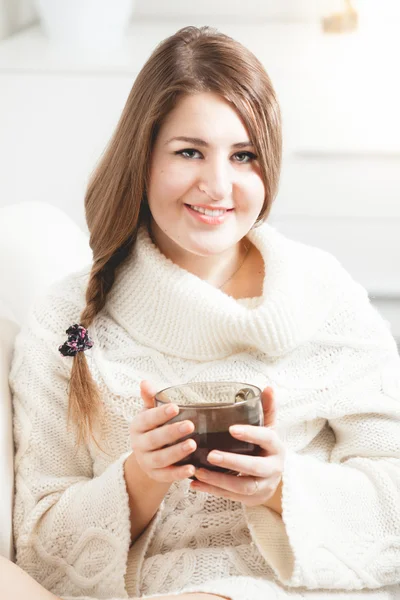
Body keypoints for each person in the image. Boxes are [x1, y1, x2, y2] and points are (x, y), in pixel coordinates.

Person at [4, 24, 400, 600]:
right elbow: (36, 547)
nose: (218, 185)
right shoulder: (69, 325)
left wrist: (282, 488)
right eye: (189, 151)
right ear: (142, 160)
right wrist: (140, 478)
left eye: (244, 156)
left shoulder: (328, 301)